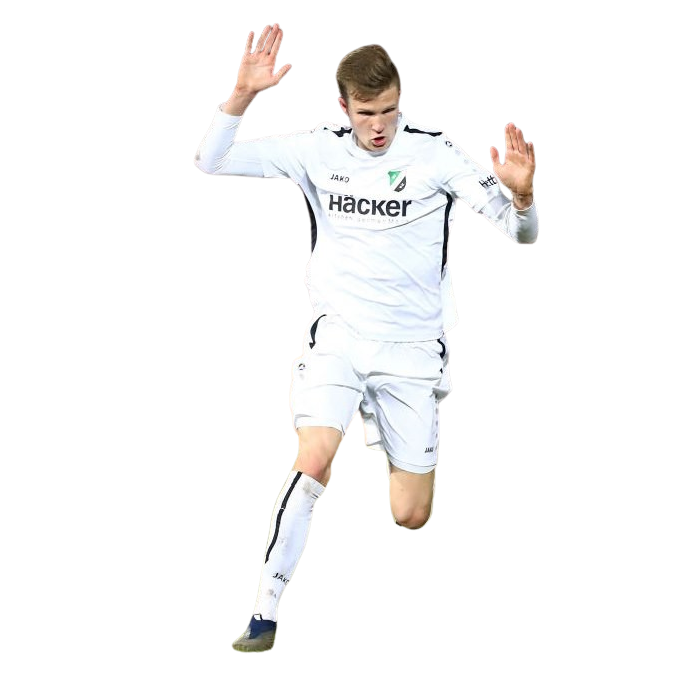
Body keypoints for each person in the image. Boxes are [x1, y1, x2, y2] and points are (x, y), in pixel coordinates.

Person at [194, 22, 538, 654]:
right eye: (366, 113)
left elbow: (522, 236)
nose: (379, 126)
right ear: (343, 106)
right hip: (340, 338)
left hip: (412, 350)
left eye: (389, 111)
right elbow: (210, 161)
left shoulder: (436, 153)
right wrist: (241, 96)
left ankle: (386, 427)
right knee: (313, 459)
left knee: (410, 515)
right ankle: (264, 612)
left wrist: (523, 198)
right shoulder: (315, 149)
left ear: (401, 101)